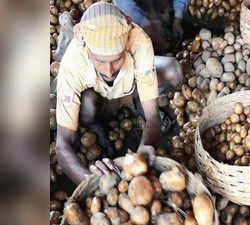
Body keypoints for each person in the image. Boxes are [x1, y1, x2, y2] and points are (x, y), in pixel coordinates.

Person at [55, 2, 183, 184]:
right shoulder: (73, 62)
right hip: (98, 97)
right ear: (86, 49)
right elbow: (62, 145)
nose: (108, 70)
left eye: (116, 60)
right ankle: (97, 125)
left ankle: (134, 103)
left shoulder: (139, 40)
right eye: (99, 61)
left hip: (130, 87)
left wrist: (146, 145)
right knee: (88, 106)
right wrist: (90, 181)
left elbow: (153, 115)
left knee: (173, 70)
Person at [113, 0, 188, 53]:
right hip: (146, 33)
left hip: (167, 17)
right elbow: (132, 13)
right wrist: (162, 44)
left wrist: (178, 18)